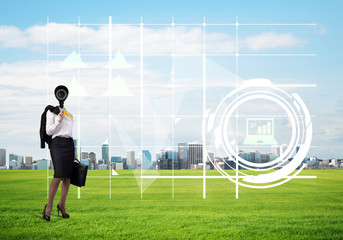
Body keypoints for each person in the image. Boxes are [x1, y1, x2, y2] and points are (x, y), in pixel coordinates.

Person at [42, 86, 75, 222]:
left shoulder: (68, 113)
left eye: (64, 93)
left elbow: (70, 134)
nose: (62, 95)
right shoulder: (52, 112)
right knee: (58, 175)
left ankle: (61, 205)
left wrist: (74, 151)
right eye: (60, 93)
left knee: (67, 177)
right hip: (57, 145)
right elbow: (49, 131)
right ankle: (48, 206)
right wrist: (58, 121)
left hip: (69, 145)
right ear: (57, 95)